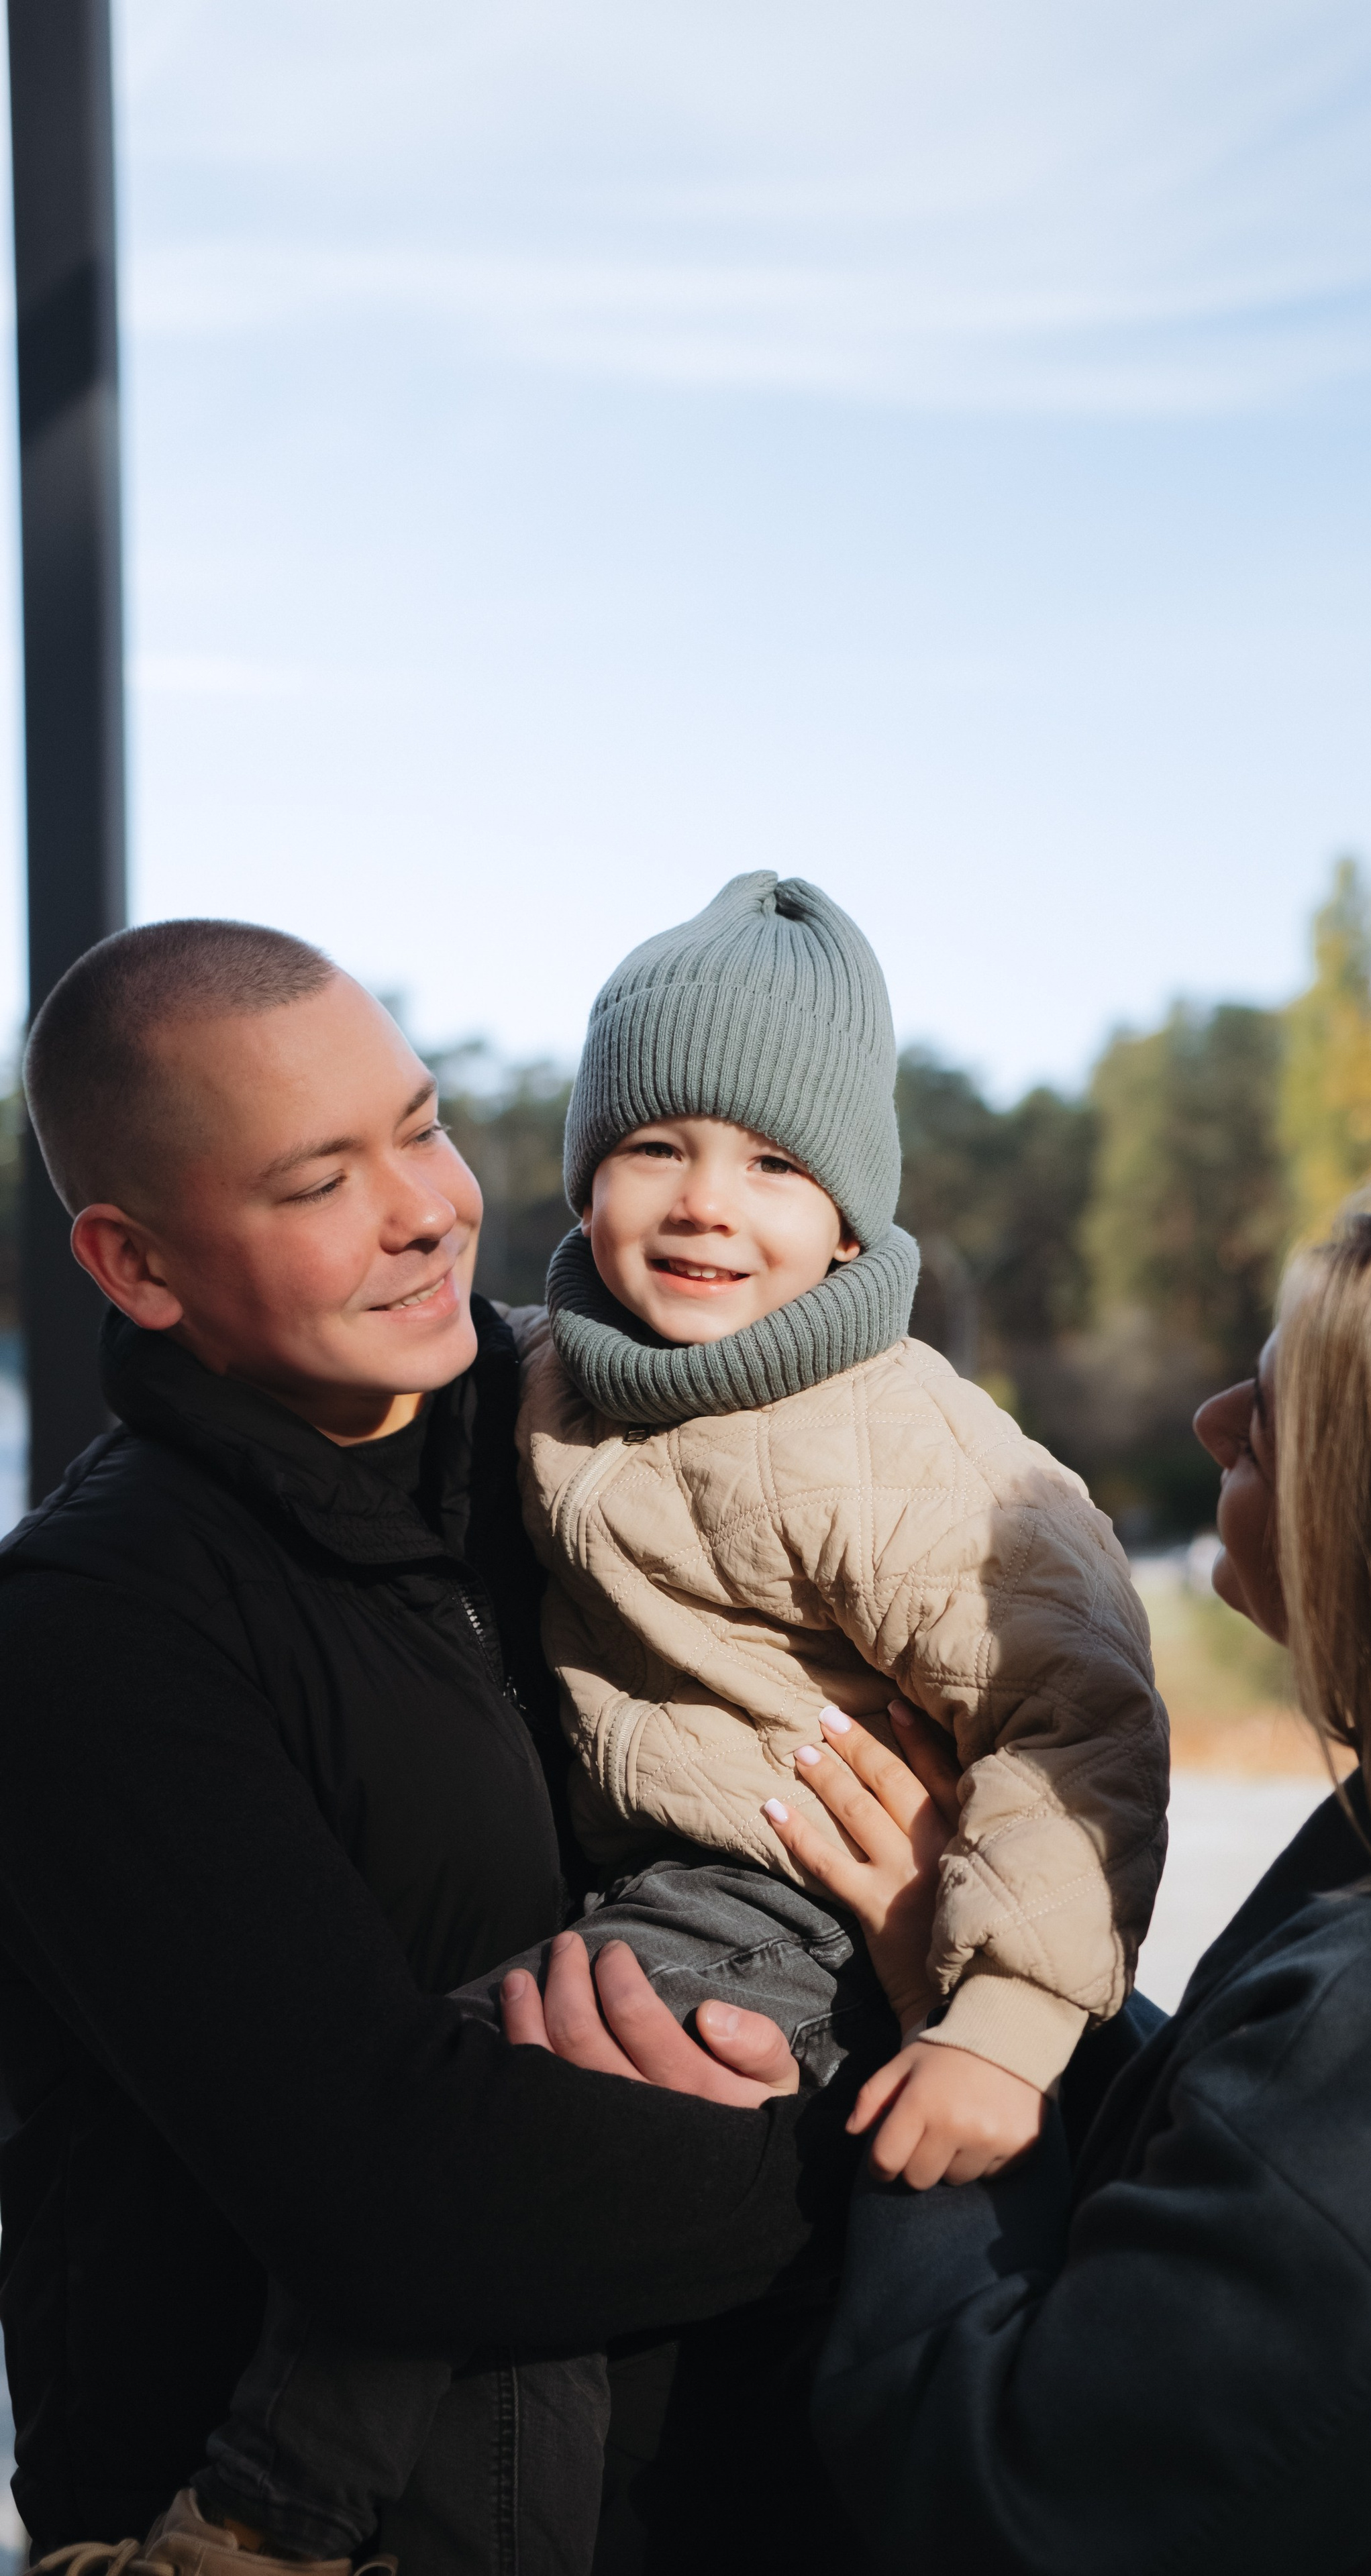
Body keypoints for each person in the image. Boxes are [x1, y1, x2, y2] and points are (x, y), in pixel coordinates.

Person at [185, 867, 1172, 2566]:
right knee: (528, 2246)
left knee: (460, 2140)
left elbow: (1081, 1726)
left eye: (776, 1165)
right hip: (648, 1882)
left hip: (782, 1891)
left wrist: (1003, 2026)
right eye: (657, 1148)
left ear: (853, 1222)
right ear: (582, 1170)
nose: (710, 1203)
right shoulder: (546, 1372)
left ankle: (261, 2523)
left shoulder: (903, 1448)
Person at [523, 1182, 1371, 2566]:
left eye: (1270, 1420)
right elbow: (1240, 2143)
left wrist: (939, 2063)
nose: (1211, 1422)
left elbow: (1011, 2508)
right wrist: (974, 1969)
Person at [0, 921, 845, 2576]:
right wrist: (823, 2163)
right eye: (320, 1183)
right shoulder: (91, 1630)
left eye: (423, 1125)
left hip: (697, 2500)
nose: (427, 1209)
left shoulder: (596, 1455)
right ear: (136, 1265)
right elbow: (394, 2210)